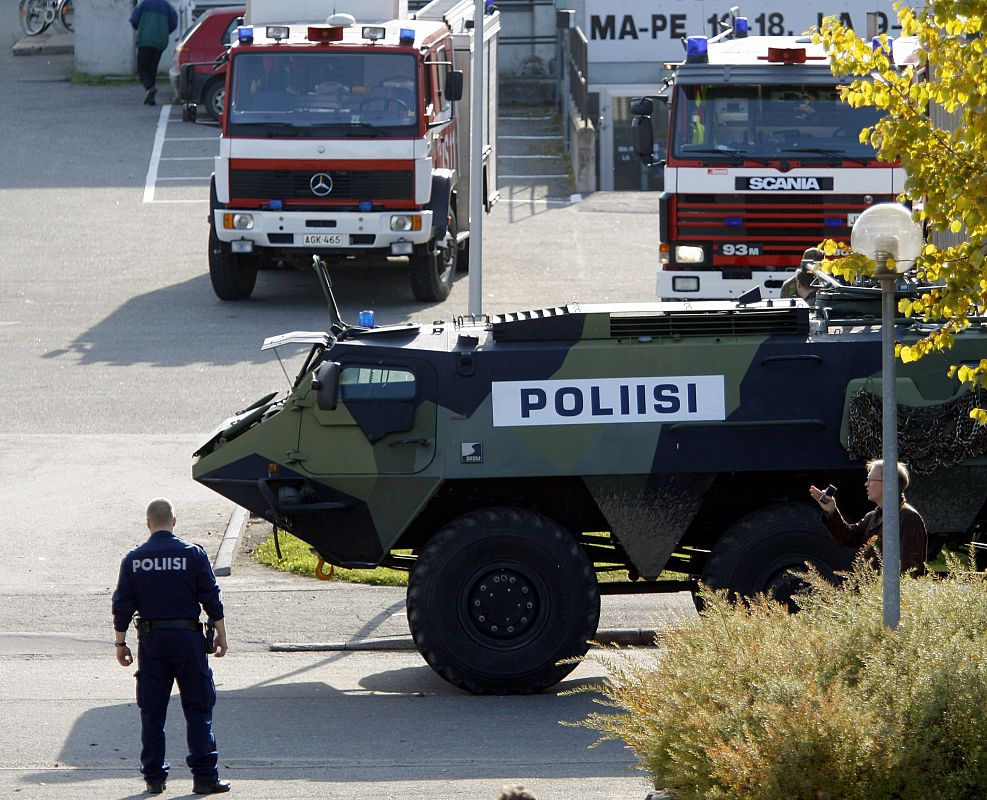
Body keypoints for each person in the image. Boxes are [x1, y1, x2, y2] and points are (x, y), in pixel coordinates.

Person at [112, 498, 231, 795]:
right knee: (198, 708)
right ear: (174, 521)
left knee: (152, 712)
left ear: (148, 523)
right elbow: (211, 597)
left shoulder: (134, 559)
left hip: (152, 642)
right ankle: (205, 777)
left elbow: (122, 604)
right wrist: (221, 634)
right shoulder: (193, 554)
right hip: (188, 639)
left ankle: (154, 779)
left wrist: (120, 643)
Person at [810, 459, 928, 574]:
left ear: (888, 483)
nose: (866, 484)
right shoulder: (873, 516)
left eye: (871, 480)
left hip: (887, 593)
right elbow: (848, 537)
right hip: (874, 591)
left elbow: (911, 570)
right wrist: (831, 511)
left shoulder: (908, 517)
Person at [130, 0, 178, 106]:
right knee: (152, 68)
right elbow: (174, 23)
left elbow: (134, 20)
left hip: (145, 40)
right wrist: (164, 31)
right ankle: (151, 98)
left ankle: (149, 88)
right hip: (160, 41)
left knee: (141, 68)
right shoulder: (167, 6)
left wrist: (143, 27)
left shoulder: (143, 4)